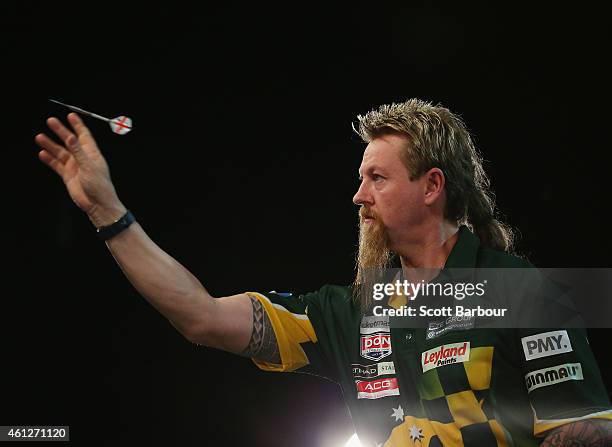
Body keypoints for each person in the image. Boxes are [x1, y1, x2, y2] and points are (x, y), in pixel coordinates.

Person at [36, 99, 612, 446]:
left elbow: (585, 430)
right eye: (362, 178)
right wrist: (108, 213)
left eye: (377, 178)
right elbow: (201, 316)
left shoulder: (521, 291)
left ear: (432, 186)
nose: (357, 196)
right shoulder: (349, 312)